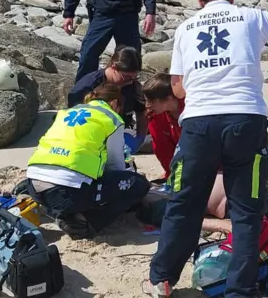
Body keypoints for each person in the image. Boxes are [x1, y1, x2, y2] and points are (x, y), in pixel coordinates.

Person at [143, 0, 268, 298]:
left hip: (199, 125)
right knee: (247, 211)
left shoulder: (187, 28)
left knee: (183, 204)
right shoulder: (250, 17)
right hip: (245, 122)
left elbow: (177, 87)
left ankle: (161, 279)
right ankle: (240, 291)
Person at [23, 82, 152, 240]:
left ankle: (53, 210)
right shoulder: (111, 119)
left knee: (72, 178)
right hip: (66, 192)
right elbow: (116, 165)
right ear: (114, 103)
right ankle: (84, 224)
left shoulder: (66, 112)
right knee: (138, 184)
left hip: (34, 183)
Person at [68, 46, 148, 145]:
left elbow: (141, 114)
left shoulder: (133, 86)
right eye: (126, 77)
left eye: (134, 77)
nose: (130, 82)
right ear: (113, 67)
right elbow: (73, 120)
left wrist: (139, 140)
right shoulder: (88, 86)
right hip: (89, 138)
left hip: (120, 136)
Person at [140, 73, 184, 178]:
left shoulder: (192, 108)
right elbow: (162, 149)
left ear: (169, 98)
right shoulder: (155, 116)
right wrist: (171, 173)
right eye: (146, 100)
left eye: (151, 101)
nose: (147, 105)